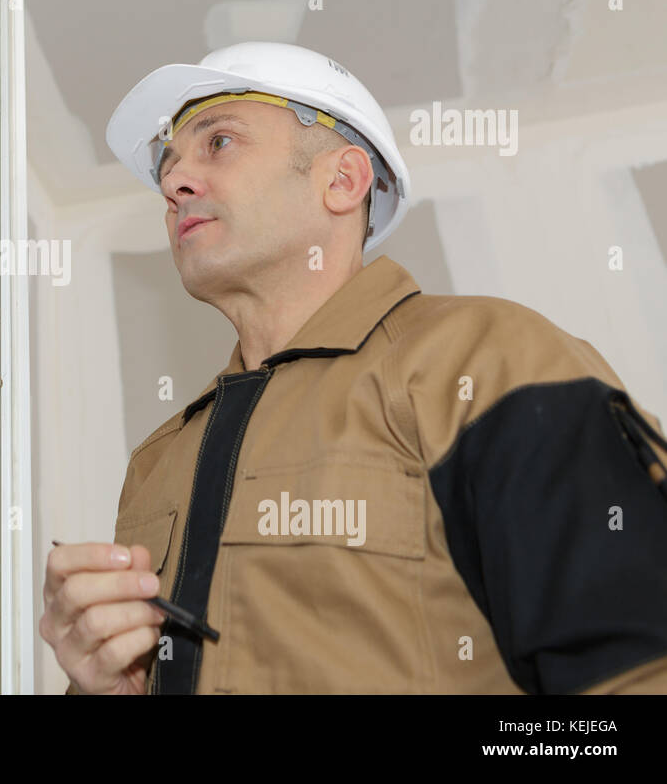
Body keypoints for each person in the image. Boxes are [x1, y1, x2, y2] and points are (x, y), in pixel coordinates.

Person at [41, 41, 667, 694]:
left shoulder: (485, 358)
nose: (173, 184)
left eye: (218, 143)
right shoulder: (157, 460)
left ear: (342, 181)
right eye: (168, 166)